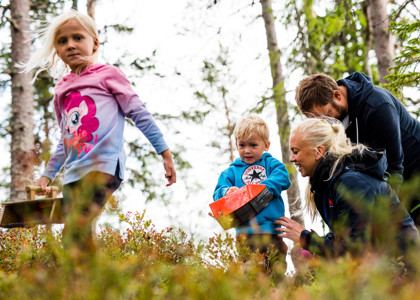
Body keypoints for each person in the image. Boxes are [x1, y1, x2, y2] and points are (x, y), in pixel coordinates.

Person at [22, 10, 176, 254]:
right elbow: (65, 139)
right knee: (75, 235)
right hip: (73, 174)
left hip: (103, 166)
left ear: (94, 42)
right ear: (57, 50)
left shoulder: (108, 75)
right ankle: (92, 282)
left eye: (77, 38)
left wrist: (164, 151)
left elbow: (138, 112)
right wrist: (46, 176)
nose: (70, 45)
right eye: (62, 41)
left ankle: (85, 282)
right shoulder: (61, 89)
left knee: (76, 230)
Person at [274, 118, 418, 257]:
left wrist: (306, 238)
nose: (292, 158)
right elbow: (344, 236)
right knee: (301, 254)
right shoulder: (329, 183)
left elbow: (355, 249)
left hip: (403, 266)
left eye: (296, 151)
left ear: (318, 152)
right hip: (382, 262)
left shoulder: (351, 182)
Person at [294, 72, 420, 224]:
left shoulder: (377, 106)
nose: (327, 123)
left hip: (413, 173)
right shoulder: (339, 118)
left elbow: (393, 169)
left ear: (337, 95)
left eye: (327, 116)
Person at [213, 115, 291, 257]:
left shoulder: (271, 164)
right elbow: (217, 192)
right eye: (242, 145)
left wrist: (258, 189)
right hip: (244, 234)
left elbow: (283, 178)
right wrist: (227, 191)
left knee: (275, 269)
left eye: (253, 145)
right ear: (236, 145)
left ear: (266, 145)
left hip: (271, 231)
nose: (247, 150)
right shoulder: (231, 171)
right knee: (249, 272)